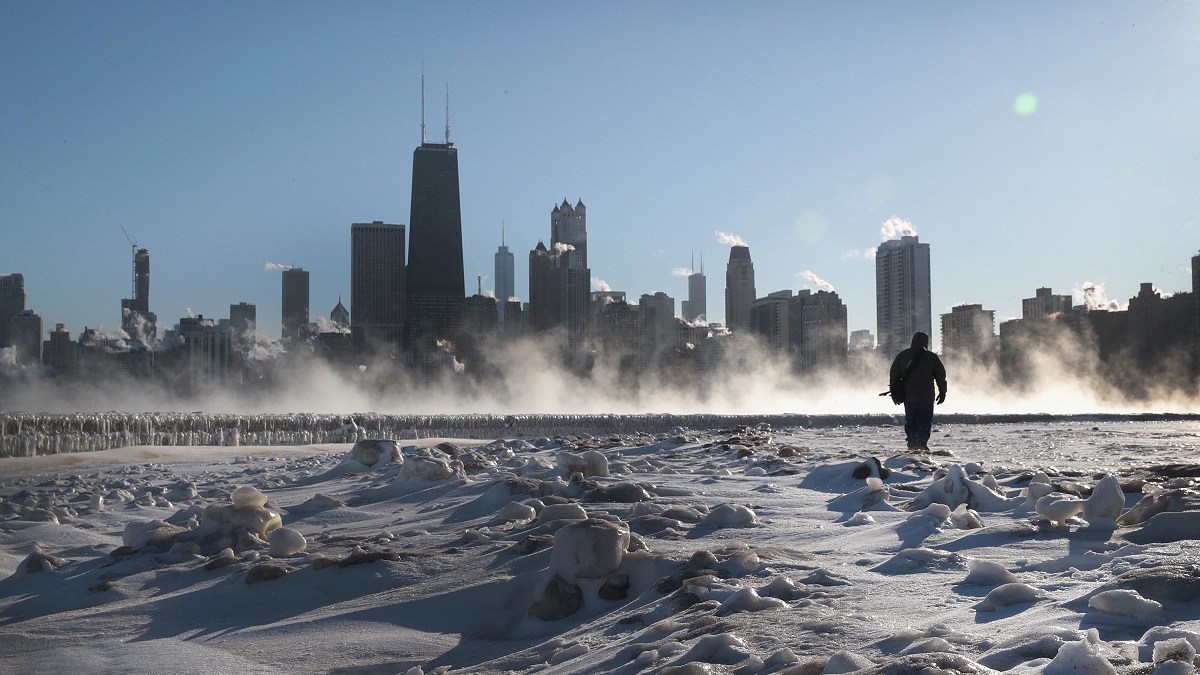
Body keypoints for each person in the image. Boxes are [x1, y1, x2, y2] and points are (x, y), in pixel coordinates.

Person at [889, 331, 947, 452]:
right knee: (925, 419)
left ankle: (912, 443)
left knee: (911, 420)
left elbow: (894, 375)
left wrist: (894, 394)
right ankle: (921, 442)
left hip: (909, 396)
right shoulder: (932, 357)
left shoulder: (902, 356)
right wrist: (943, 392)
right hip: (927, 396)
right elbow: (941, 375)